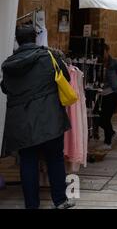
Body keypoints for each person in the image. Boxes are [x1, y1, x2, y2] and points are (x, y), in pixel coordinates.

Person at [1, 25, 74, 209]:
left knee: (27, 162)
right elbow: (66, 78)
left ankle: (31, 205)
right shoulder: (49, 57)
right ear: (35, 38)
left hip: (23, 123)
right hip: (50, 119)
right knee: (55, 159)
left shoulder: (10, 64)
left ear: (17, 40)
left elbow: (5, 88)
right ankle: (60, 200)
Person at [98, 44, 117, 150]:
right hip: (101, 94)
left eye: (103, 52)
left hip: (113, 93)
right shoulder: (98, 63)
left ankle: (108, 141)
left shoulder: (114, 63)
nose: (102, 55)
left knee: (105, 117)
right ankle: (112, 134)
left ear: (107, 51)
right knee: (100, 118)